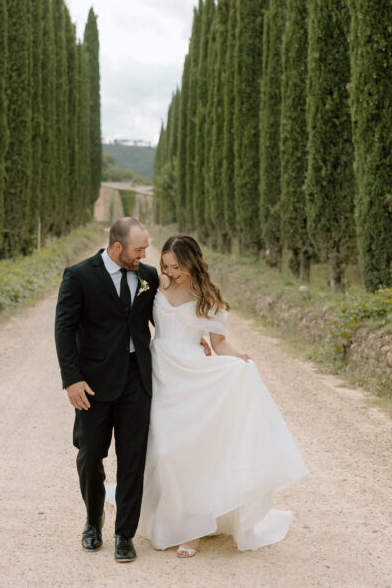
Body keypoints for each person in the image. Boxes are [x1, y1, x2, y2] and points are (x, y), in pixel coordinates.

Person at [136, 233, 308, 558]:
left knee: (189, 452)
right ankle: (166, 517)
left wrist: (238, 357)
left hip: (192, 377)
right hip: (159, 371)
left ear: (192, 262)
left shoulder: (208, 298)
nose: (172, 272)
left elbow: (218, 344)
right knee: (162, 451)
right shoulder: (156, 284)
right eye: (167, 266)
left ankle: (193, 530)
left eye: (177, 266)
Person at [54, 217, 159, 564]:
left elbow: (163, 319)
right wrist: (71, 379)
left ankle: (123, 534)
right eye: (138, 249)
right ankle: (92, 522)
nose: (144, 254)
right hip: (92, 384)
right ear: (117, 247)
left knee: (133, 459)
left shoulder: (148, 276)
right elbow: (64, 328)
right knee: (90, 455)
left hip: (136, 380)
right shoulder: (79, 276)